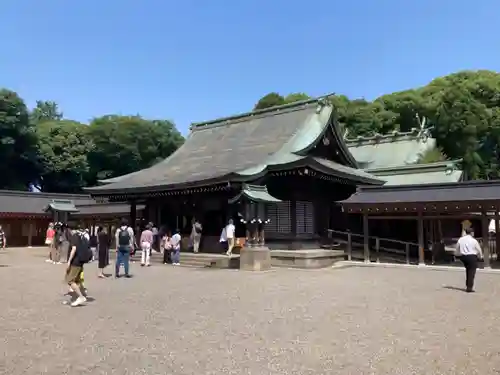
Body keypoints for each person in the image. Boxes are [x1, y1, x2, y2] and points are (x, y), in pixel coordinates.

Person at [65, 225, 92, 307]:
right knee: (77, 280)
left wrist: (69, 261)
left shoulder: (74, 236)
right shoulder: (81, 236)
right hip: (80, 261)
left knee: (70, 280)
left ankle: (81, 297)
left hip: (75, 262)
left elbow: (74, 249)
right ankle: (79, 295)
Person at [455, 227, 484, 293]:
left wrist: (457, 254)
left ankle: (468, 284)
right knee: (471, 272)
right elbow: (479, 249)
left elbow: (457, 248)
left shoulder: (461, 239)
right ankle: (469, 287)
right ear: (471, 233)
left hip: (464, 257)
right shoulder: (473, 240)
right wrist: (481, 256)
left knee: (468, 270)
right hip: (472, 256)